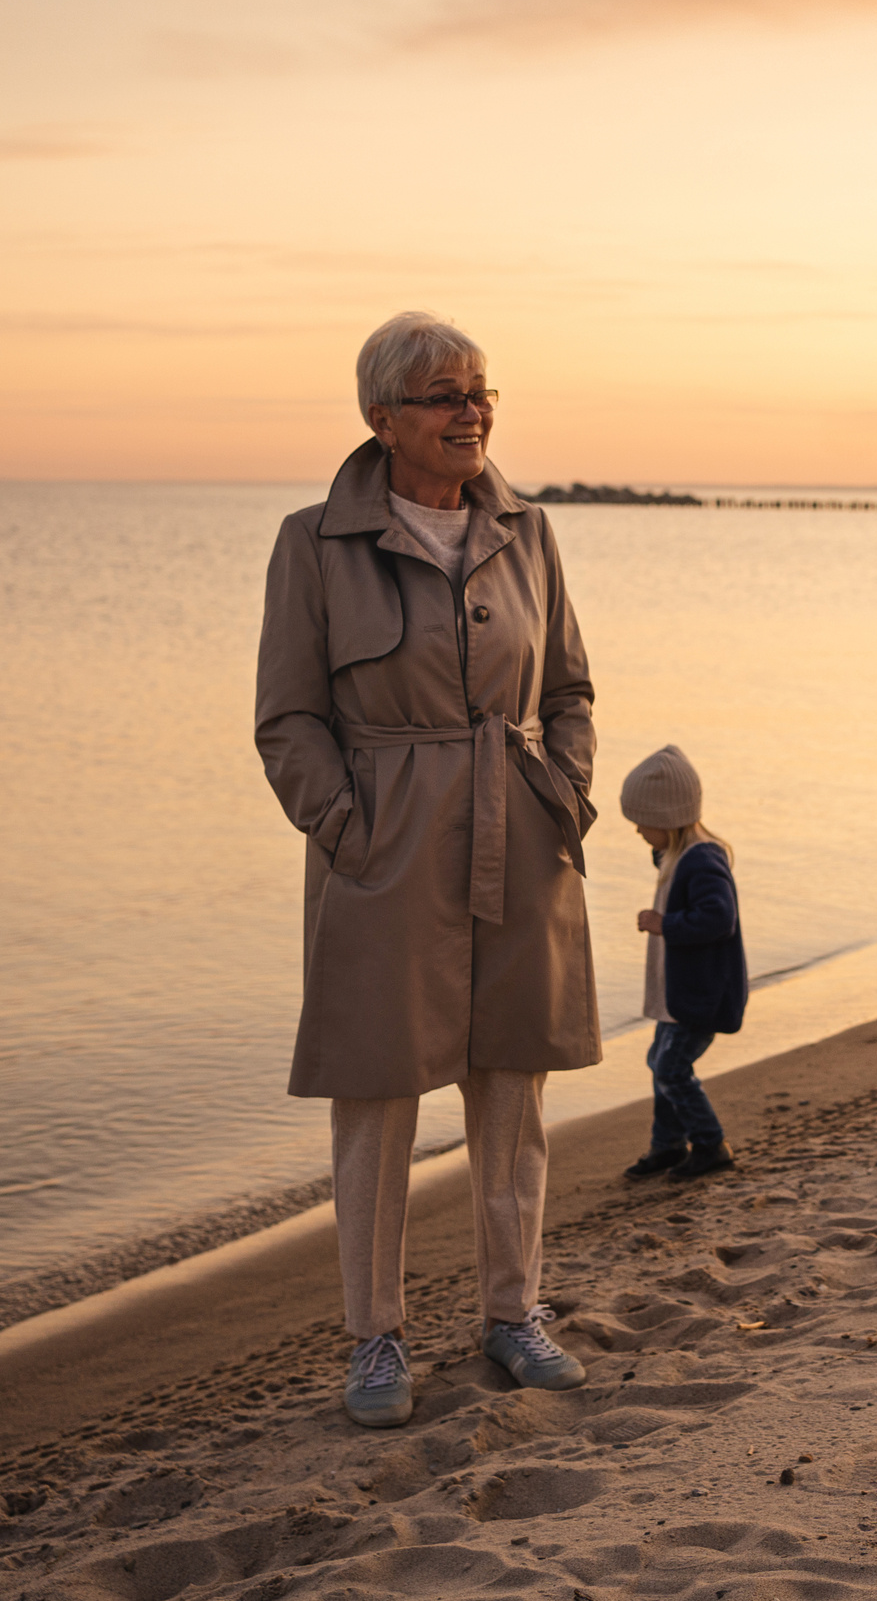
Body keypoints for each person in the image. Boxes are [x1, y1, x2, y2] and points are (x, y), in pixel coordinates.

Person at [256, 310, 601, 1428]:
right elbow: (288, 719)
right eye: (445, 395)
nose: (472, 412)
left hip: (521, 830)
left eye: (482, 391)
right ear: (383, 417)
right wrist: (348, 832)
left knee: (512, 1088)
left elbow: (568, 690)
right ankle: (376, 1336)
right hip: (385, 847)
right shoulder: (314, 543)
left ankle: (512, 1312)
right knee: (376, 1098)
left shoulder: (530, 532)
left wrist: (566, 793)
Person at [616, 744, 747, 1182]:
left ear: (668, 819)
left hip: (699, 993)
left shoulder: (702, 859)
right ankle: (668, 1145)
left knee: (671, 1069)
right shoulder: (675, 855)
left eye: (642, 822)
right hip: (678, 994)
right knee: (660, 1062)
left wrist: (665, 924)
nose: (637, 831)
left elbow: (720, 918)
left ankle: (710, 1144)